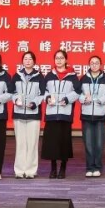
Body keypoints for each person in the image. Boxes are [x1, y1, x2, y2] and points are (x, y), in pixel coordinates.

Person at [42, 50, 80, 179]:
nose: (59, 60)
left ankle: (63, 168)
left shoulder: (72, 76)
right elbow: (44, 91)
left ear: (66, 60)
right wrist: (47, 98)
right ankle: (53, 168)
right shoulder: (49, 75)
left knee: (64, 142)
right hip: (51, 113)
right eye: (57, 58)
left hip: (65, 113)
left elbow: (77, 92)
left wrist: (68, 99)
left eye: (61, 58)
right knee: (52, 142)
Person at [11, 51, 44, 179]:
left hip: (33, 114)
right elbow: (12, 93)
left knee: (32, 143)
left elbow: (42, 94)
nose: (28, 61)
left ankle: (31, 170)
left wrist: (35, 103)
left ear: (34, 61)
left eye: (30, 59)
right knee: (20, 143)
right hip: (18, 113)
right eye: (25, 59)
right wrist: (15, 100)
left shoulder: (39, 76)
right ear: (22, 61)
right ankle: (19, 170)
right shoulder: (16, 76)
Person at [79, 55, 105, 178]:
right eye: (92, 63)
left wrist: (101, 100)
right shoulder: (83, 78)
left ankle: (97, 167)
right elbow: (78, 94)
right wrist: (84, 99)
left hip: (100, 115)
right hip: (86, 114)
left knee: (99, 143)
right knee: (88, 143)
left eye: (96, 63)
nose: (94, 65)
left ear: (100, 65)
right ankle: (89, 168)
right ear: (89, 65)